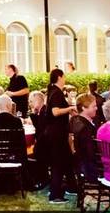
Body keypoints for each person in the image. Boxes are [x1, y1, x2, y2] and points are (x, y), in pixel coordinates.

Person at [41, 68, 76, 203]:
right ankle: (55, 195)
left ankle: (72, 187)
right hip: (57, 134)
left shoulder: (53, 92)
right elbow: (55, 112)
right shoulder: (56, 93)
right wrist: (70, 109)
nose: (65, 78)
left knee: (67, 161)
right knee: (58, 163)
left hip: (56, 133)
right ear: (59, 77)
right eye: (64, 76)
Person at [69, 94, 100, 183]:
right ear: (83, 108)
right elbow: (90, 153)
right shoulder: (85, 128)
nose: (96, 108)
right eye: (93, 106)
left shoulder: (74, 120)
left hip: (80, 165)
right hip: (91, 168)